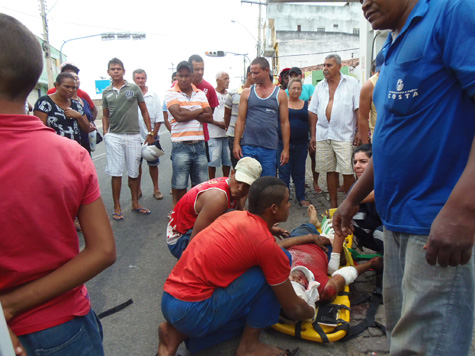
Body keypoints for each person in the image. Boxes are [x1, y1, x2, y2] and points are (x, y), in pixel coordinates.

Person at [335, 1, 475, 355]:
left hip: (436, 222)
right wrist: (352, 199)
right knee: (402, 335)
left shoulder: (452, 13)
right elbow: (391, 139)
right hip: (396, 220)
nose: (365, 2)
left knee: (428, 344)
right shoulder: (390, 47)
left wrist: (463, 209)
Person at [0, 14, 116, 356]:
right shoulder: (71, 156)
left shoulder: (76, 130)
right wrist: (12, 304)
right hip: (63, 325)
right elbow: (103, 250)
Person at [157, 177, 315, 356]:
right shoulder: (264, 244)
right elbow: (293, 308)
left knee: (272, 267)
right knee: (271, 273)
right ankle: (249, 346)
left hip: (169, 298)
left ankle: (175, 333)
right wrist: (310, 311)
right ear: (274, 209)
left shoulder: (232, 215)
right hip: (191, 310)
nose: (289, 206)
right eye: (287, 202)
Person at [279, 205, 382, 307]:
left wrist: (311, 238)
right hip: (324, 248)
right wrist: (371, 264)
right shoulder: (324, 289)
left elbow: (277, 245)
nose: (296, 277)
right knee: (334, 260)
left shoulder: (274, 273)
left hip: (297, 240)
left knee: (305, 228)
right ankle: (322, 225)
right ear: (309, 289)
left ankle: (312, 222)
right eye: (300, 283)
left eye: (291, 280)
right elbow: (346, 274)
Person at [167, 157, 262, 259]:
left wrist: (266, 227)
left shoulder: (231, 187)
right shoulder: (218, 198)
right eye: (239, 181)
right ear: (232, 173)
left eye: (247, 185)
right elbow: (195, 240)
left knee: (237, 223)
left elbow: (241, 217)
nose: (241, 188)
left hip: (187, 230)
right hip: (180, 239)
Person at [102, 57, 154, 221]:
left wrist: (150, 131)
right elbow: (104, 115)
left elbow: (144, 111)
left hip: (133, 136)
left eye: (118, 68)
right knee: (116, 173)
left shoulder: (134, 88)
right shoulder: (106, 92)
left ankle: (135, 203)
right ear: (108, 72)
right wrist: (105, 132)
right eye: (113, 69)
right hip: (115, 136)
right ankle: (117, 206)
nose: (116, 71)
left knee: (134, 172)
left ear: (123, 71)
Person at [309, 54, 361, 208]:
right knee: (329, 170)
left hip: (344, 134)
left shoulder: (351, 83)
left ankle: (350, 205)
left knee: (347, 171)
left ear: (339, 67)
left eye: (329, 65)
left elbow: (358, 108)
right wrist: (313, 135)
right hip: (323, 134)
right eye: (324, 65)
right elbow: (312, 112)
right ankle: (333, 205)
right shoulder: (320, 86)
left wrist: (358, 131)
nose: (325, 68)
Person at [165, 61, 213, 208]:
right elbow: (178, 116)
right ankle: (180, 214)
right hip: (181, 145)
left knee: (200, 185)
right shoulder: (170, 93)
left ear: (192, 76)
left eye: (187, 75)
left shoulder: (199, 93)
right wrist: (198, 110)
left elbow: (209, 116)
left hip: (199, 145)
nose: (184, 79)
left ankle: (195, 213)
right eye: (180, 75)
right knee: (180, 185)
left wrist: (188, 112)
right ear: (176, 76)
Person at [233, 57, 291, 177]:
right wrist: (236, 143)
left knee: (267, 184)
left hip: (269, 147)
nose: (253, 76)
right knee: (246, 181)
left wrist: (286, 148)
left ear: (266, 70)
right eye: (252, 73)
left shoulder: (280, 94)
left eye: (256, 73)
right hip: (248, 145)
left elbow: (284, 122)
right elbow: (240, 120)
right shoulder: (247, 92)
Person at [132, 68, 165, 200]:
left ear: (146, 79)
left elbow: (158, 117)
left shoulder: (153, 95)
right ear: (133, 80)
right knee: (136, 165)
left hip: (151, 136)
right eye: (137, 78)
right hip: (134, 137)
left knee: (153, 164)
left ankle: (156, 189)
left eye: (142, 78)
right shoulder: (131, 95)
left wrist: (153, 134)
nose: (140, 81)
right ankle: (138, 189)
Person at [277, 78, 310, 207]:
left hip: (301, 144)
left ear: (301, 90)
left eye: (298, 88)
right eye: (293, 88)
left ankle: (301, 197)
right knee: (284, 172)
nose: (296, 91)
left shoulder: (306, 104)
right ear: (288, 90)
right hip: (283, 144)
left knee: (300, 171)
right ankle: (284, 199)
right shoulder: (282, 104)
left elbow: (312, 123)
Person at [34, 72, 90, 145]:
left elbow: (86, 129)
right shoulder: (44, 102)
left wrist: (79, 117)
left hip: (74, 150)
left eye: (74, 88)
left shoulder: (77, 104)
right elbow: (40, 131)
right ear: (57, 85)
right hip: (53, 149)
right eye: (67, 87)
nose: (71, 90)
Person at [350, 144, 383, 254]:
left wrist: (355, 199)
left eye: (363, 162)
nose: (357, 166)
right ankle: (374, 248)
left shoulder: (386, 181)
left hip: (393, 228)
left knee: (380, 233)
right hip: (376, 223)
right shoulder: (358, 185)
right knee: (350, 218)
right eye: (355, 162)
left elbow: (378, 193)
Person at [189, 54, 220, 162]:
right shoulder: (177, 86)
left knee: (201, 177)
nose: (200, 72)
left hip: (202, 138)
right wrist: (200, 111)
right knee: (179, 177)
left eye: (202, 69)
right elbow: (175, 115)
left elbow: (209, 117)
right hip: (181, 140)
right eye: (197, 69)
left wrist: (187, 113)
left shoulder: (209, 88)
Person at [224, 66, 253, 169]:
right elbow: (227, 114)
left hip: (252, 137)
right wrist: (229, 128)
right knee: (237, 167)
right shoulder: (233, 93)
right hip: (234, 136)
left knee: (250, 169)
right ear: (249, 75)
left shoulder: (259, 94)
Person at [356, 51, 384, 145]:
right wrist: (365, 144)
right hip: (379, 139)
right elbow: (363, 116)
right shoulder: (370, 85)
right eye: (379, 71)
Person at [208, 71, 231, 179]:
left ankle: (225, 183)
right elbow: (206, 115)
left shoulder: (229, 95)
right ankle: (211, 184)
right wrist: (217, 123)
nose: (228, 81)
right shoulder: (212, 94)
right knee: (212, 162)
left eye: (228, 79)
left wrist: (227, 124)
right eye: (225, 79)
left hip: (227, 134)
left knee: (227, 161)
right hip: (213, 134)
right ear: (218, 80)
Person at [70, 71, 96, 155]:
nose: (75, 81)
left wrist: (91, 124)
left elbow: (90, 116)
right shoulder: (61, 102)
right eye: (72, 78)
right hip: (70, 144)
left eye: (77, 78)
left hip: (85, 142)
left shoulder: (83, 101)